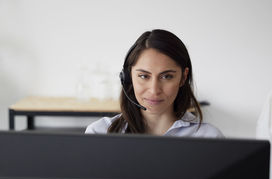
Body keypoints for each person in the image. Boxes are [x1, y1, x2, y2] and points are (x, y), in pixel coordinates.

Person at [85, 29, 223, 138]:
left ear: (183, 77)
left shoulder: (208, 137)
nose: (154, 90)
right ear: (128, 77)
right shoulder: (99, 133)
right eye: (144, 76)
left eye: (167, 76)